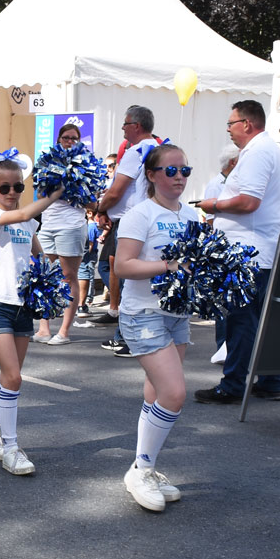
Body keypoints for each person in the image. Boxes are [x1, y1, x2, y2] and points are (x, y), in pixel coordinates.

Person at [112, 143, 198, 512]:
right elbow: (123, 267)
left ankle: (142, 465)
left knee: (156, 394)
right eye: (171, 171)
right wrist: (169, 267)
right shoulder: (139, 214)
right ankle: (141, 471)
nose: (179, 177)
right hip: (142, 314)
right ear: (151, 175)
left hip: (178, 315)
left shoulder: (192, 214)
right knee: (174, 393)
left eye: (185, 171)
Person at [0, 154, 62, 475]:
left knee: (9, 380)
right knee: (13, 376)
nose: (12, 193)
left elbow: (37, 253)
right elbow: (24, 212)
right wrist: (55, 194)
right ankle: (10, 447)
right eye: (5, 187)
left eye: (18, 187)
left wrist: (49, 278)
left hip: (23, 303)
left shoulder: (27, 222)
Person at [196, 99, 280, 404]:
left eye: (231, 124)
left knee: (242, 319)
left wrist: (214, 205)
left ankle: (233, 384)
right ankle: (269, 381)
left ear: (246, 124)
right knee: (259, 318)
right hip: (256, 248)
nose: (229, 130)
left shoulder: (258, 151)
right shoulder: (261, 150)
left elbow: (249, 202)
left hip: (249, 250)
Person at [93, 107, 161, 355]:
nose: (123, 128)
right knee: (135, 281)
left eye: (125, 124)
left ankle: (129, 337)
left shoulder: (136, 151)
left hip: (132, 222)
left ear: (137, 126)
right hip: (148, 219)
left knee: (127, 280)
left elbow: (116, 191)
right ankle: (131, 335)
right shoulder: (157, 148)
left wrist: (100, 209)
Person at [34, 124, 92, 346]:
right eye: (66, 137)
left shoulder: (85, 165)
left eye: (74, 138)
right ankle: (43, 328)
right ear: (58, 139)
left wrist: (73, 189)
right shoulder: (48, 161)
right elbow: (40, 193)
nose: (69, 141)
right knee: (44, 275)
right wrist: (53, 182)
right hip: (48, 224)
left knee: (69, 277)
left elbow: (92, 202)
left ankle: (64, 331)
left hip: (72, 226)